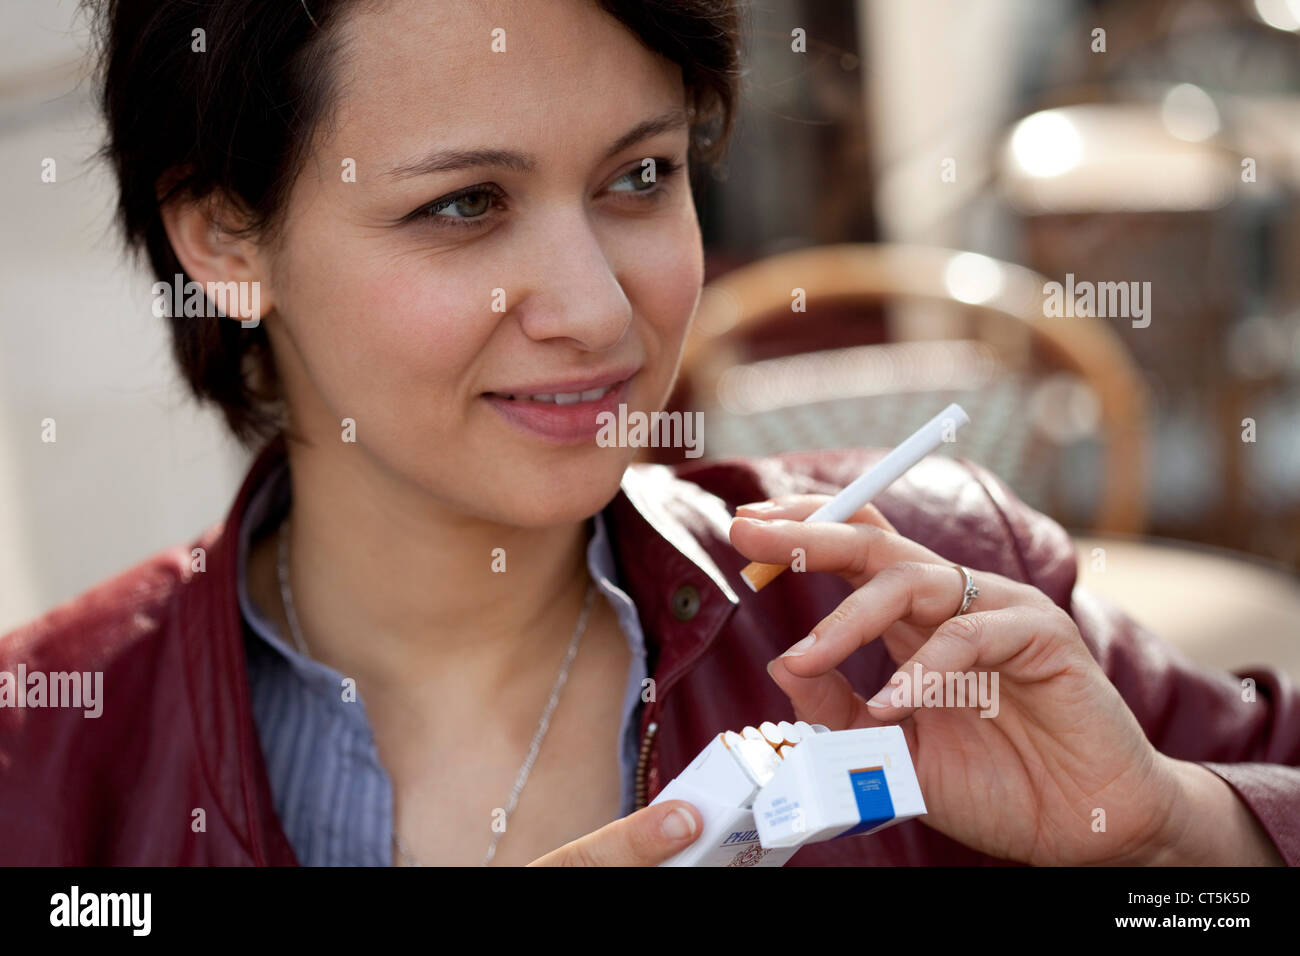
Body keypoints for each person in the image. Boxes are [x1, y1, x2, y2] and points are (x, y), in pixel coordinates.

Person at [0, 0, 1295, 866]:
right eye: (463, 206)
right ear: (225, 240)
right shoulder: (47, 752)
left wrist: (1172, 829)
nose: (597, 308)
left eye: (639, 177)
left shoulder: (912, 585)